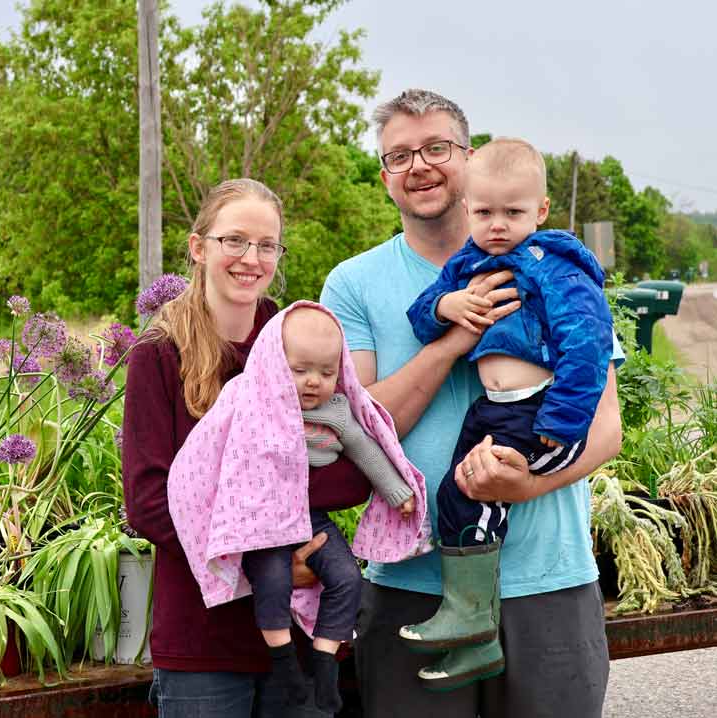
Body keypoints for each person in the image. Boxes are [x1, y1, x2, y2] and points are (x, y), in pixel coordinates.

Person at [320, 90, 623, 717]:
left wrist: (526, 486)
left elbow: (606, 426)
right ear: (384, 175)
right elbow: (359, 427)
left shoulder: (552, 264)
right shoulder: (353, 284)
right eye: (399, 155)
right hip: (411, 582)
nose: (419, 166)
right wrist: (456, 336)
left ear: (469, 157)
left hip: (548, 580)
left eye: (437, 147)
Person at [122, 178, 374, 718]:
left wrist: (281, 545)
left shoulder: (298, 341)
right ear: (198, 247)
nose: (251, 259)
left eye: (266, 245)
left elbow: (354, 468)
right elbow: (148, 503)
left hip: (299, 633)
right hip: (203, 639)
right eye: (234, 240)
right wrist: (260, 564)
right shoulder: (159, 354)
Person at [397, 138, 614, 689]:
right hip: (492, 410)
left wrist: (559, 424)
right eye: (485, 212)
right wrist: (446, 305)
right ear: (467, 207)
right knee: (454, 495)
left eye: (513, 213)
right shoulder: (467, 264)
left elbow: (586, 347)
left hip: (539, 411)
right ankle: (474, 634)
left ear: (541, 211)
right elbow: (421, 317)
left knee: (477, 494)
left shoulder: (556, 268)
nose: (497, 225)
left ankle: (472, 620)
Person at [167, 303, 425, 714]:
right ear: (276, 363)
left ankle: (324, 664)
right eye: (300, 370)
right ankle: (285, 663)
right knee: (273, 581)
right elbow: (208, 458)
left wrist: (398, 492)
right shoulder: (253, 400)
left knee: (347, 578)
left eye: (326, 372)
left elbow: (364, 450)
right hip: (260, 522)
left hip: (308, 520)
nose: (313, 381)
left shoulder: (337, 410)